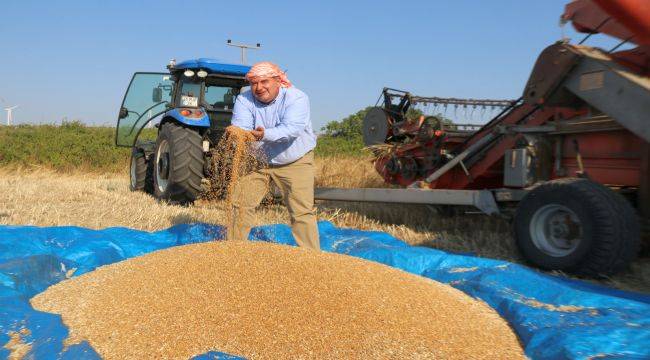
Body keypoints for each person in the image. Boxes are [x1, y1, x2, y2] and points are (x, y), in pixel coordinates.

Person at [227, 61, 320, 250]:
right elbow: (241, 129)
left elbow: (291, 130)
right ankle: (233, 252)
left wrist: (264, 134)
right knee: (241, 205)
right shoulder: (244, 100)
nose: (259, 88)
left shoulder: (297, 98)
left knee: (302, 211)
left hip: (294, 160)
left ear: (278, 81)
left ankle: (311, 259)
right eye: (254, 83)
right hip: (258, 160)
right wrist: (240, 135)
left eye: (264, 82)